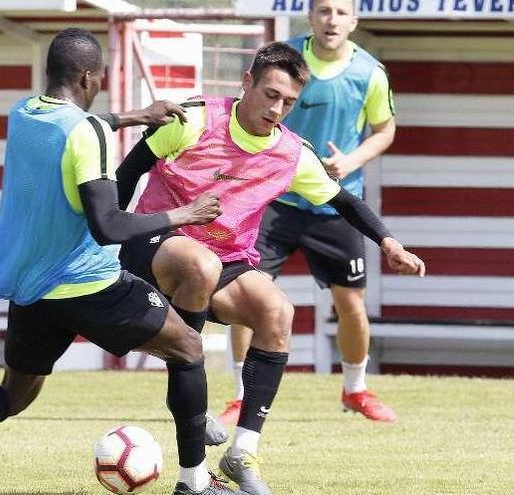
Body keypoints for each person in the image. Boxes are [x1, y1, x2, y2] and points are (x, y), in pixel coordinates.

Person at [0, 27, 244, 495]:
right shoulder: (89, 132)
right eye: (97, 80)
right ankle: (195, 482)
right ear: (87, 77)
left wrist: (135, 116)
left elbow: (75, 126)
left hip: (33, 291)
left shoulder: (23, 113)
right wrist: (185, 213)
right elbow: (108, 227)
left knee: (12, 395)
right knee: (189, 349)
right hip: (89, 286)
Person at [114, 42, 425, 495]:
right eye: (271, 95)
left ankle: (242, 454)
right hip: (154, 244)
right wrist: (108, 239)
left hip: (222, 261)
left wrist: (388, 241)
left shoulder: (291, 153)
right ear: (247, 84)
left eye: (289, 102)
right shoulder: (195, 120)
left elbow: (343, 200)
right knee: (199, 264)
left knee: (278, 311)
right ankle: (191, 402)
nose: (277, 109)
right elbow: (128, 173)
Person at [224, 0, 400, 426]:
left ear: (354, 21)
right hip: (276, 202)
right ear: (311, 17)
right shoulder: (286, 61)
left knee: (351, 305)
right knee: (246, 295)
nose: (332, 20)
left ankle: (355, 390)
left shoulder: (370, 73)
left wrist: (353, 160)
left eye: (341, 12)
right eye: (324, 11)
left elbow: (385, 129)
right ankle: (240, 396)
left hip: (336, 203)